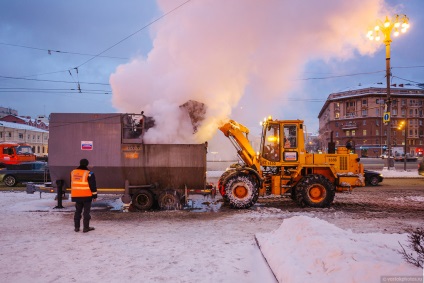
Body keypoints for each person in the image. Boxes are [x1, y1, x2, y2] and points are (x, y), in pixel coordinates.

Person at [71, 158, 97, 233]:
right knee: (86, 212)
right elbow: (93, 185)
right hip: (86, 196)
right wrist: (94, 196)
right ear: (87, 164)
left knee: (77, 211)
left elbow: (72, 183)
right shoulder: (89, 173)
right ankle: (86, 228)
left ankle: (76, 227)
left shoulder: (73, 172)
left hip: (76, 195)